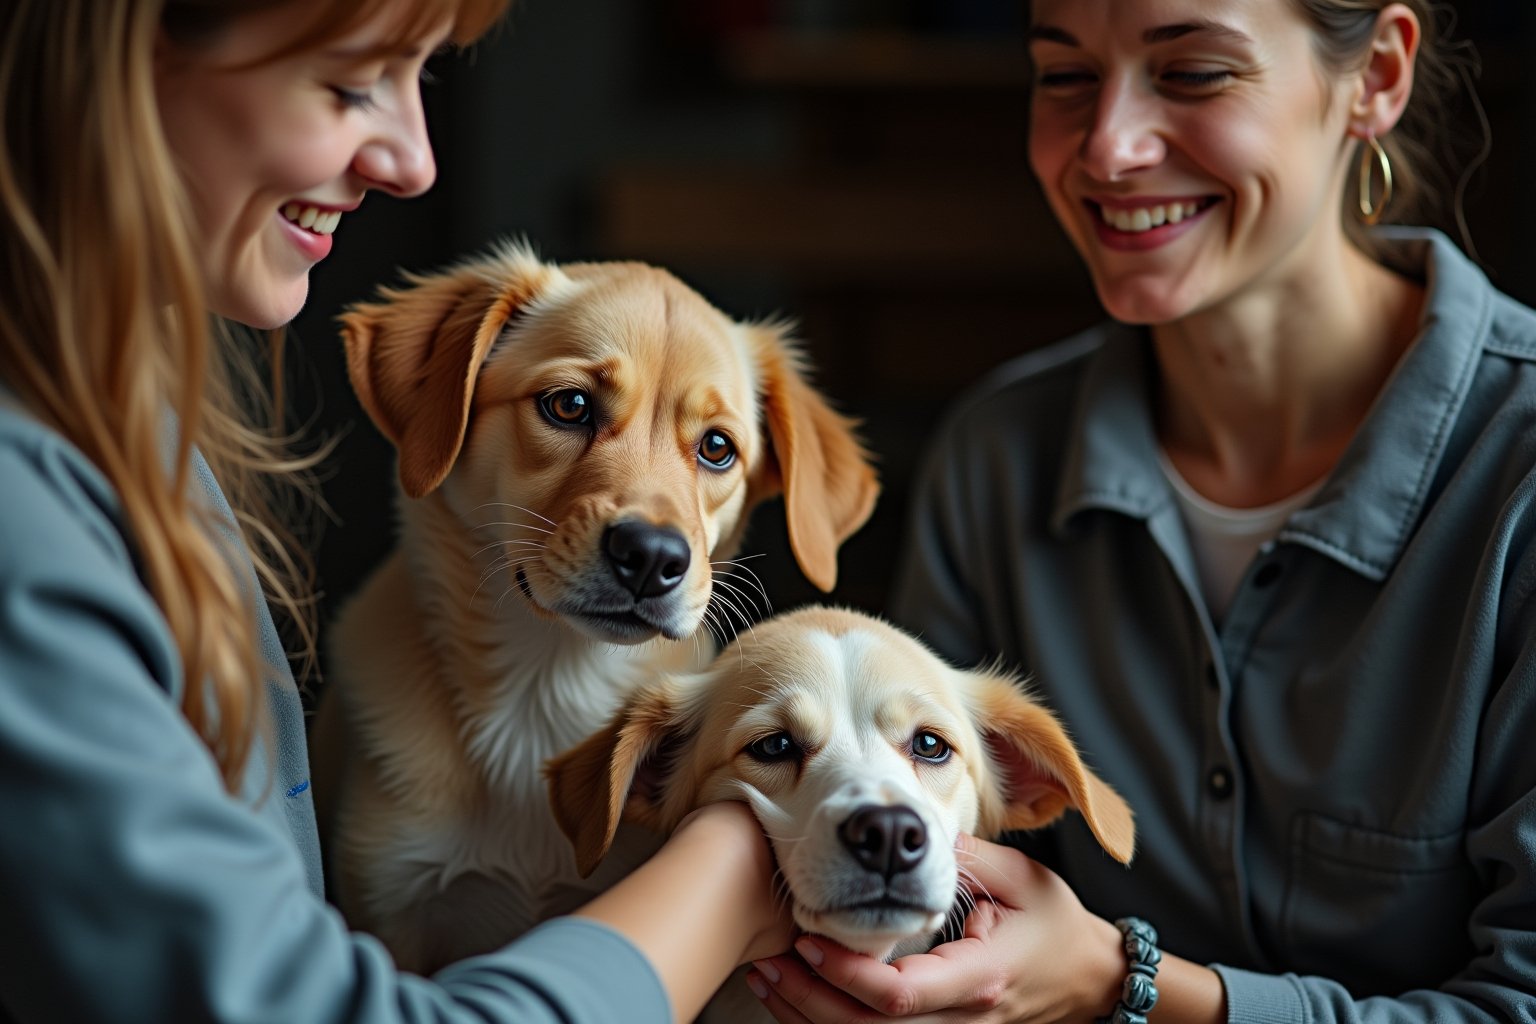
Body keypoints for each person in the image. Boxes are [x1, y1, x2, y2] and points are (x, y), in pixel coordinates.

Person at [0, 2, 790, 1022]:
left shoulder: (128, 431)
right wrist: (733, 873)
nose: (414, 159)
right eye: (353, 77)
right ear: (121, 61)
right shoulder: (29, 514)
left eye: (422, 77)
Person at [748, 1, 1536, 1021]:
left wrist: (1126, 985)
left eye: (1196, 72)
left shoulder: (1515, 468)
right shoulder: (996, 461)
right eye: (1065, 77)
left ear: (1376, 76)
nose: (1110, 149)